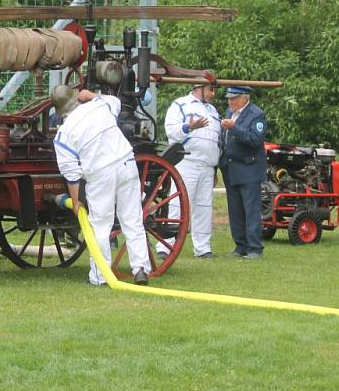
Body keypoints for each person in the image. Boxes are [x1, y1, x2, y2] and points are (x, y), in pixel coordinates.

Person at [51, 85, 150, 285]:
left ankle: (100, 275)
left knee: (100, 226)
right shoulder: (99, 105)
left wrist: (77, 201)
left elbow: (71, 174)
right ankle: (140, 269)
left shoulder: (63, 135)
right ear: (77, 98)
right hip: (126, 164)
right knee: (132, 219)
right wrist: (92, 95)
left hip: (100, 175)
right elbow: (117, 102)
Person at [163, 82, 221, 259]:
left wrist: (215, 167)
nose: (213, 94)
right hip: (187, 162)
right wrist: (189, 127)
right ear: (199, 88)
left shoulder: (213, 110)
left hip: (208, 166)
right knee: (177, 204)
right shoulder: (180, 104)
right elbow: (171, 131)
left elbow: (217, 140)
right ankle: (165, 246)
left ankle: (202, 248)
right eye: (211, 89)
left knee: (204, 207)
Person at [219, 86, 267, 259]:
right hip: (231, 169)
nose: (230, 102)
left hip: (249, 169)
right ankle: (240, 246)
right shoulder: (229, 112)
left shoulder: (256, 114)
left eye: (234, 98)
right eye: (229, 98)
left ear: (245, 98)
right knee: (235, 210)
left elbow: (255, 139)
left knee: (251, 210)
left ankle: (255, 248)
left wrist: (234, 128)